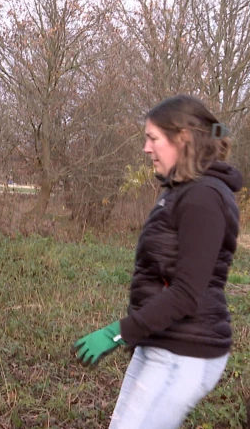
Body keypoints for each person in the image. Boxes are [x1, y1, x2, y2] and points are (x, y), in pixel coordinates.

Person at [73, 94, 242, 429]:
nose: (145, 149)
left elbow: (186, 293)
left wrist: (116, 333)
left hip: (185, 352)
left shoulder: (203, 197)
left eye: (152, 139)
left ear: (182, 139)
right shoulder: (180, 190)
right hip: (161, 340)